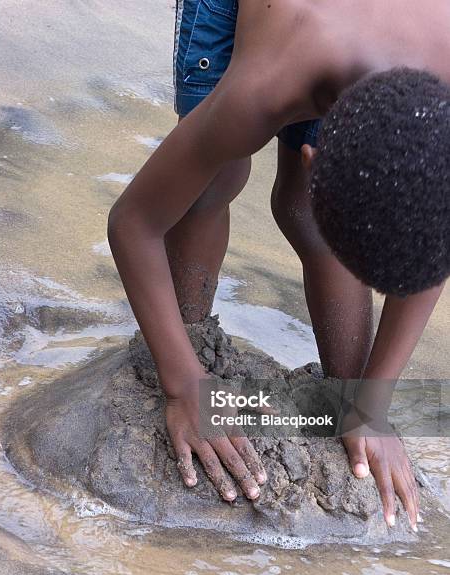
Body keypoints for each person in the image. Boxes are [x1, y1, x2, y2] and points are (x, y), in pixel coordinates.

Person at [108, 0, 450, 531]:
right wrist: (183, 385)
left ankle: (345, 399)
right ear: (317, 161)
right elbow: (134, 222)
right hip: (275, 19)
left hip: (346, 33)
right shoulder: (262, 89)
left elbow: (431, 246)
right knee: (211, 183)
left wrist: (370, 403)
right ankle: (189, 344)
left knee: (304, 215)